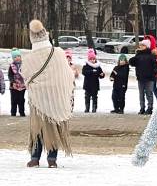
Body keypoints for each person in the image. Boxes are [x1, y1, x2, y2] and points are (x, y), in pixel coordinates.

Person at [20, 20, 74, 168]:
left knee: (37, 128)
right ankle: (52, 159)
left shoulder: (29, 57)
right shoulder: (58, 52)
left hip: (38, 99)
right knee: (54, 128)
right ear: (45, 34)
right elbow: (68, 74)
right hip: (56, 97)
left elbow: (26, 76)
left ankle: (35, 157)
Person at [129, 39, 157, 115]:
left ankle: (150, 108)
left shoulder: (151, 56)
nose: (141, 46)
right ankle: (142, 107)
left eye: (143, 45)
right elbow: (132, 62)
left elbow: (155, 66)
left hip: (149, 78)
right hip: (140, 77)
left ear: (147, 46)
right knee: (141, 94)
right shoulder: (138, 55)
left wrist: (154, 73)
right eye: (140, 45)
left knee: (149, 93)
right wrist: (135, 55)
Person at [82, 48, 105, 113]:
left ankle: (94, 107)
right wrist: (92, 71)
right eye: (91, 59)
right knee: (87, 96)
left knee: (95, 97)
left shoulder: (97, 66)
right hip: (87, 85)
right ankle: (87, 107)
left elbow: (101, 74)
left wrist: (102, 75)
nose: (92, 60)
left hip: (95, 85)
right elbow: (84, 73)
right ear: (88, 60)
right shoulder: (86, 66)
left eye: (93, 59)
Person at [145, 34, 157, 102]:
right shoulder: (145, 51)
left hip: (153, 72)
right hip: (145, 72)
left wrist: (156, 63)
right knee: (146, 89)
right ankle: (149, 104)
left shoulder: (156, 50)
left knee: (153, 87)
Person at [8, 48, 26, 117]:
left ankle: (22, 112)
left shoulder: (24, 65)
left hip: (22, 86)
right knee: (14, 100)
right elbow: (10, 75)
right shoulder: (11, 66)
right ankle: (13, 113)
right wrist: (12, 82)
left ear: (20, 57)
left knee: (21, 100)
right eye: (15, 57)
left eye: (18, 56)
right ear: (13, 58)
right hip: (14, 86)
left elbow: (26, 73)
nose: (17, 58)